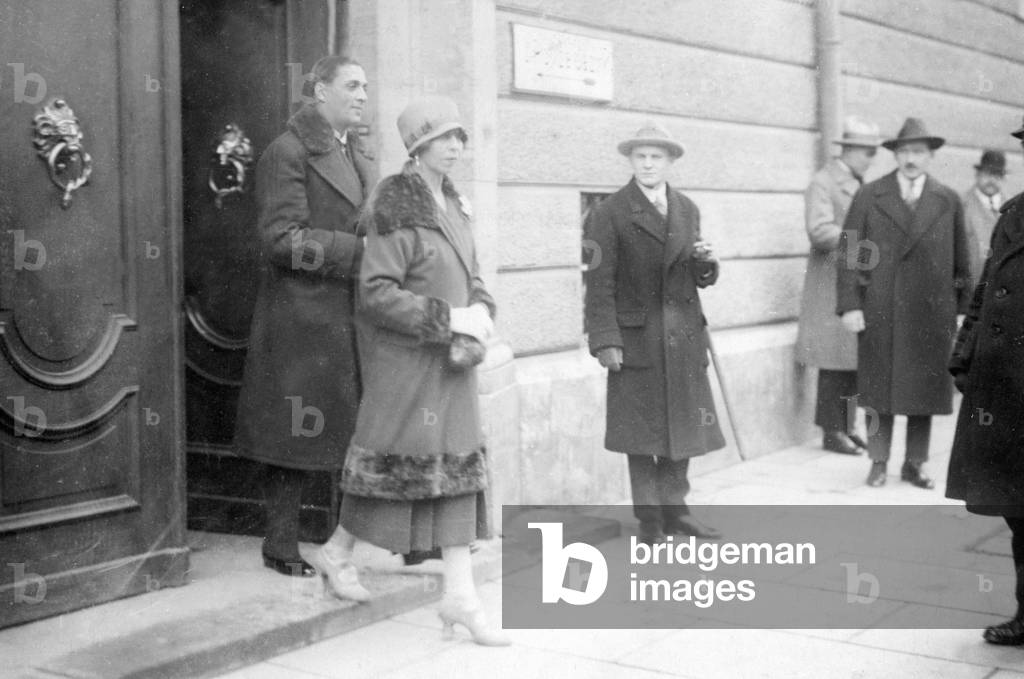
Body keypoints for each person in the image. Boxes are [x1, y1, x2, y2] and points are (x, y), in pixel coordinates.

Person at [312, 96, 508, 646]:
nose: (455, 146)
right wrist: (449, 317)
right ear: (417, 148)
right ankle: (337, 552)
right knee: (386, 466)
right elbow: (376, 293)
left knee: (458, 472)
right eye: (442, 138)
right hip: (408, 366)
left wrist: (481, 311)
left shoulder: (455, 204)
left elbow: (474, 275)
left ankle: (460, 597)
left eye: (459, 136)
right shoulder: (396, 206)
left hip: (452, 364)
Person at [234, 56, 375, 577]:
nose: (363, 95)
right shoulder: (288, 151)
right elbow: (281, 240)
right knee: (291, 434)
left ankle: (334, 539)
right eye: (352, 85)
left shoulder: (354, 151)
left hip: (343, 313)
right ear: (320, 91)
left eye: (365, 87)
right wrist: (360, 253)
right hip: (300, 315)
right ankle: (280, 543)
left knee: (342, 428)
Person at [584, 122, 725, 545]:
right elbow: (598, 284)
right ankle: (650, 522)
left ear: (670, 162)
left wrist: (706, 263)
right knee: (642, 435)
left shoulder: (687, 209)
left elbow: (697, 277)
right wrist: (605, 340)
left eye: (656, 157)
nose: (647, 164)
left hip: (683, 338)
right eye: (640, 157)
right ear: (631, 160)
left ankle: (677, 513)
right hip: (637, 341)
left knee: (684, 428)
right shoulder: (608, 213)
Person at [837, 117, 972, 489]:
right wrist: (850, 304)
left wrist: (963, 310)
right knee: (878, 391)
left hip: (931, 313)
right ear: (894, 155)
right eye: (905, 152)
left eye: (919, 152)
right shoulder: (870, 195)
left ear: (930, 156)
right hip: (881, 309)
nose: (911, 159)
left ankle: (915, 463)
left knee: (923, 393)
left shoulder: (947, 199)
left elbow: (962, 258)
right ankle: (878, 461)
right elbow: (848, 252)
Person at [946, 115, 1024, 645]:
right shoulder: (1013, 214)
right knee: (1019, 511)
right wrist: (965, 357)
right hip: (1004, 388)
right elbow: (984, 291)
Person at [795, 116, 882, 456]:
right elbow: (819, 230)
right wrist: (862, 242)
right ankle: (832, 431)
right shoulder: (824, 182)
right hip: (830, 283)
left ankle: (847, 426)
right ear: (849, 150)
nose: (871, 159)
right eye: (867, 152)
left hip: (854, 281)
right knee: (833, 361)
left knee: (852, 360)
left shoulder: (858, 182)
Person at [962, 149, 1008, 285]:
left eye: (997, 175)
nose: (991, 180)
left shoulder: (1014, 208)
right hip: (972, 285)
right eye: (987, 174)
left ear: (1003, 178)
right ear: (977, 175)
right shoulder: (962, 205)